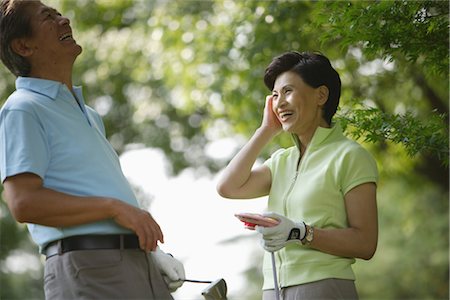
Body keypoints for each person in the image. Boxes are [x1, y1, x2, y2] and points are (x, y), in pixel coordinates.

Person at [0, 1, 185, 299]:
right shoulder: (22, 108)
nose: (64, 20)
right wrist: (115, 208)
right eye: (48, 17)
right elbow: (23, 202)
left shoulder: (89, 114)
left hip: (135, 264)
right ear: (23, 45)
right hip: (88, 267)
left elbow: (92, 188)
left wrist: (149, 253)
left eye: (59, 13)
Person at [217, 51, 378, 299]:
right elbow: (227, 187)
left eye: (288, 91)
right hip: (273, 288)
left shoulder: (350, 156)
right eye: (274, 95)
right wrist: (265, 130)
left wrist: (300, 232)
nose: (279, 103)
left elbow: (365, 243)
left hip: (323, 286)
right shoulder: (281, 161)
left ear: (321, 95)